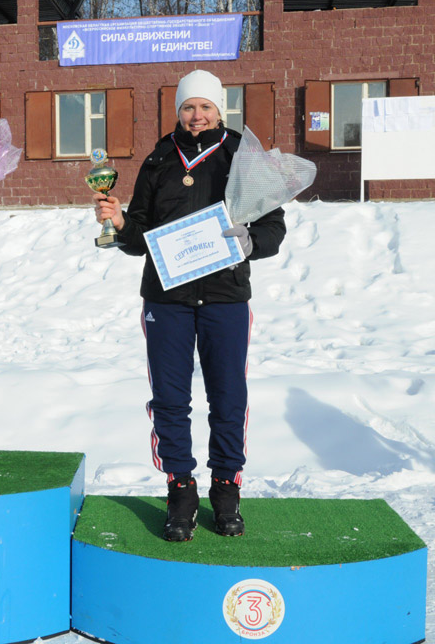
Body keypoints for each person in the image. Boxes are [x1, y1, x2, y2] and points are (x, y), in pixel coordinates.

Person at [93, 69, 286, 541]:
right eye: (188, 107)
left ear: (220, 109)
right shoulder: (159, 158)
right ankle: (180, 488)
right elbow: (140, 236)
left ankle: (226, 486)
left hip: (225, 295)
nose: (196, 115)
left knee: (228, 396)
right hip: (167, 299)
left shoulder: (243, 156)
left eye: (205, 106)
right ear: (178, 110)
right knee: (170, 398)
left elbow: (274, 227)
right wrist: (120, 223)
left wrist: (251, 242)